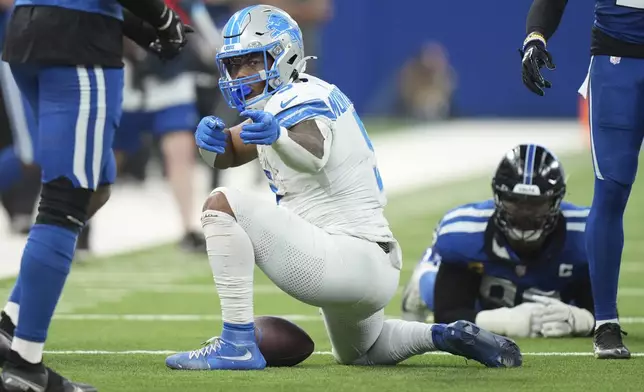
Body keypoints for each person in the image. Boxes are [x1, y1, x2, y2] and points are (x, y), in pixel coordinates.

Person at [164, 4, 522, 371]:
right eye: (235, 64)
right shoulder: (295, 96)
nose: (242, 74)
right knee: (364, 352)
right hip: (372, 266)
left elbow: (313, 151)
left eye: (253, 62)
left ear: (283, 55)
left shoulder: (299, 99)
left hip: (341, 256)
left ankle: (237, 342)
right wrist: (211, 143)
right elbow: (228, 153)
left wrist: (280, 138)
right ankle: (442, 335)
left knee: (222, 204)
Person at [0, 0, 191, 390]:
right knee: (67, 197)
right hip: (77, 40)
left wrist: (144, 28)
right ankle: (25, 367)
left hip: (28, 28)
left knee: (97, 183)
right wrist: (162, 18)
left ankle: (11, 324)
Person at [519, 0, 637, 359]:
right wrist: (535, 37)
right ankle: (605, 322)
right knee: (611, 190)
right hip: (617, 64)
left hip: (617, 65)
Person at [402, 144, 595, 340]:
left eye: (536, 204)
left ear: (556, 201)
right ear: (498, 197)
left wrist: (582, 319)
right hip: (480, 295)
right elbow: (447, 313)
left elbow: (604, 315)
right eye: (515, 202)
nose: (525, 214)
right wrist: (505, 321)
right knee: (432, 288)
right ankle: (423, 275)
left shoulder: (585, 234)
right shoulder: (465, 232)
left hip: (546, 293)